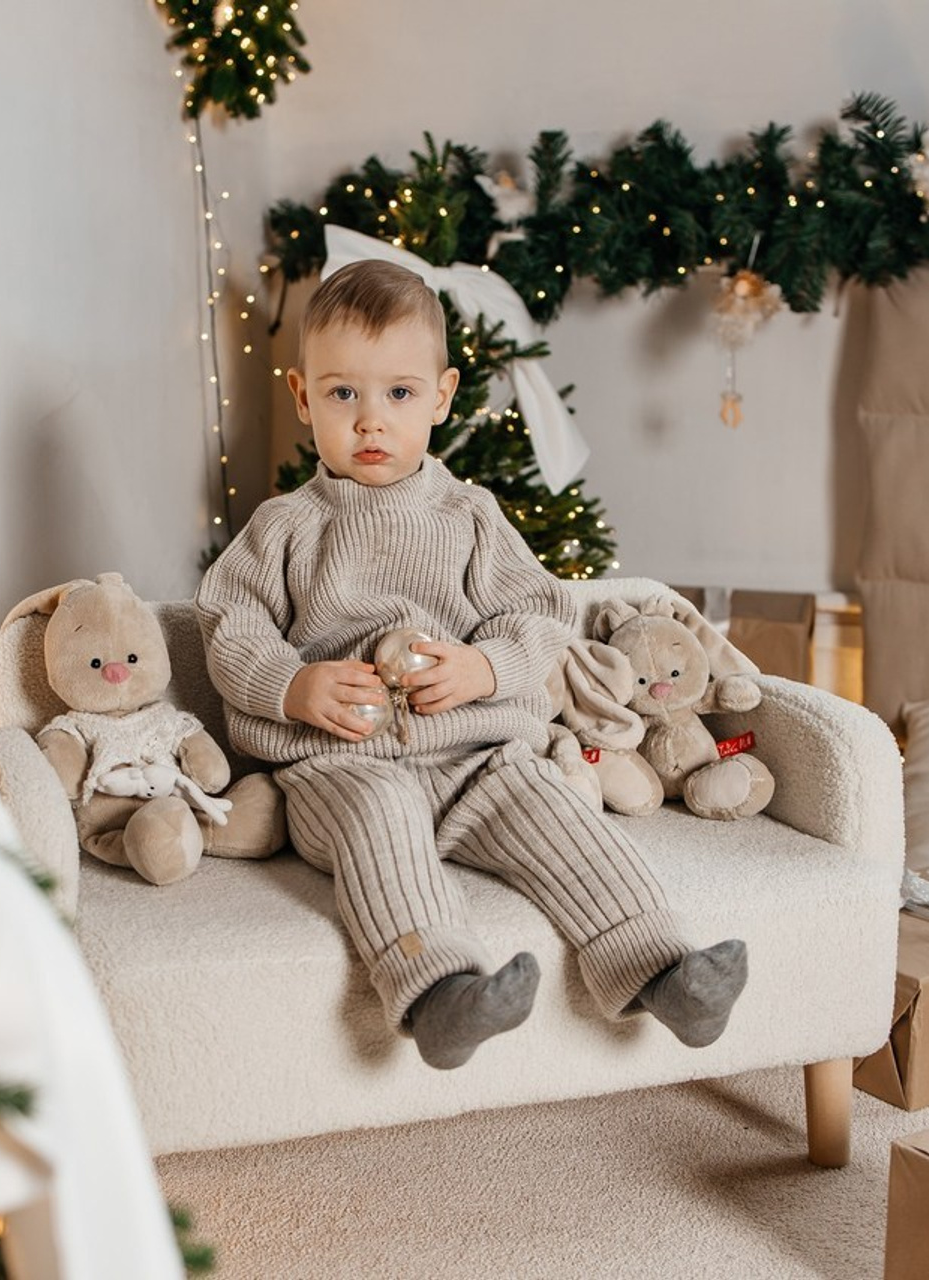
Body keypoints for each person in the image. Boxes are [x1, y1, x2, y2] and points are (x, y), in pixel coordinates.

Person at [195, 258, 747, 1069]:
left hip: (474, 757)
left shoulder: (471, 517)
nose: (371, 421)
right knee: (380, 814)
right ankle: (437, 991)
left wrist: (484, 669)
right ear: (303, 396)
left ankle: (662, 966)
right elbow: (228, 626)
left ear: (444, 396)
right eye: (343, 394)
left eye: (400, 394)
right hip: (342, 766)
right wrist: (295, 685)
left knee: (552, 808)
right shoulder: (285, 527)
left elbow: (543, 613)